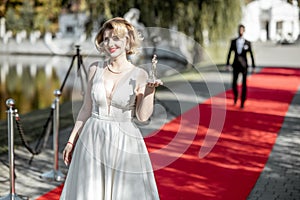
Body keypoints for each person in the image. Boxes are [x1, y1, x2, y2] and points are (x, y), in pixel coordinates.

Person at [60, 17, 161, 200]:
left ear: (127, 40)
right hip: (93, 137)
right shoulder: (94, 69)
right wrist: (71, 141)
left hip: (124, 141)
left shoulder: (140, 74)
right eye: (106, 39)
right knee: (91, 191)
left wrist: (149, 91)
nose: (110, 44)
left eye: (116, 38)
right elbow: (86, 109)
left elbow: (143, 116)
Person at [226, 24, 255, 108]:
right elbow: (229, 53)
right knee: (234, 83)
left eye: (242, 30)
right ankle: (236, 95)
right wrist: (227, 63)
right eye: (239, 30)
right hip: (235, 65)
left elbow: (252, 55)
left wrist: (253, 66)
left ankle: (242, 102)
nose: (240, 31)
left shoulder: (248, 43)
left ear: (244, 31)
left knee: (244, 84)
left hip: (244, 66)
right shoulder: (233, 41)